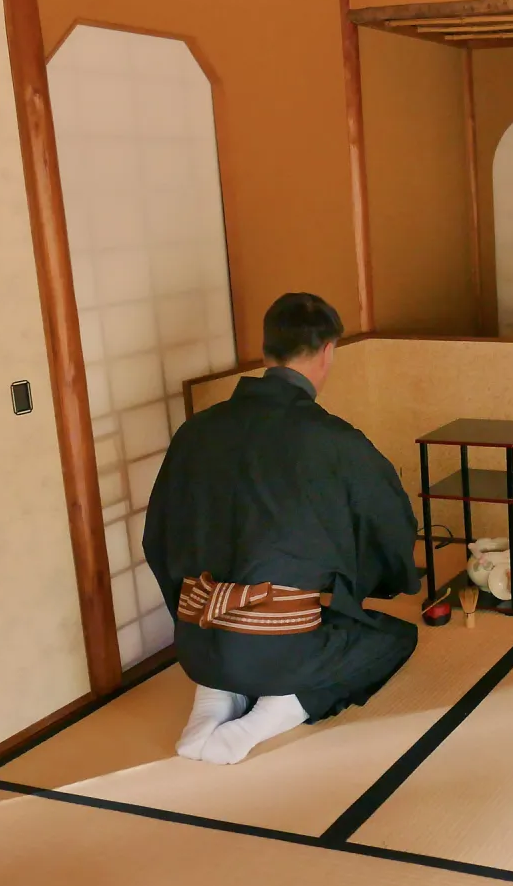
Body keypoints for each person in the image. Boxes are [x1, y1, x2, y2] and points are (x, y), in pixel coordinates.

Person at [143, 293, 422, 765]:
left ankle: (215, 696)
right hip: (280, 649)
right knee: (392, 638)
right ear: (328, 351)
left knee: (242, 637)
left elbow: (158, 538)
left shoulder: (196, 431)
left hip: (196, 640)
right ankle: (272, 714)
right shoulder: (334, 441)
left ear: (266, 349)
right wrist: (374, 583)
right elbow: (388, 526)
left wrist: (201, 613)